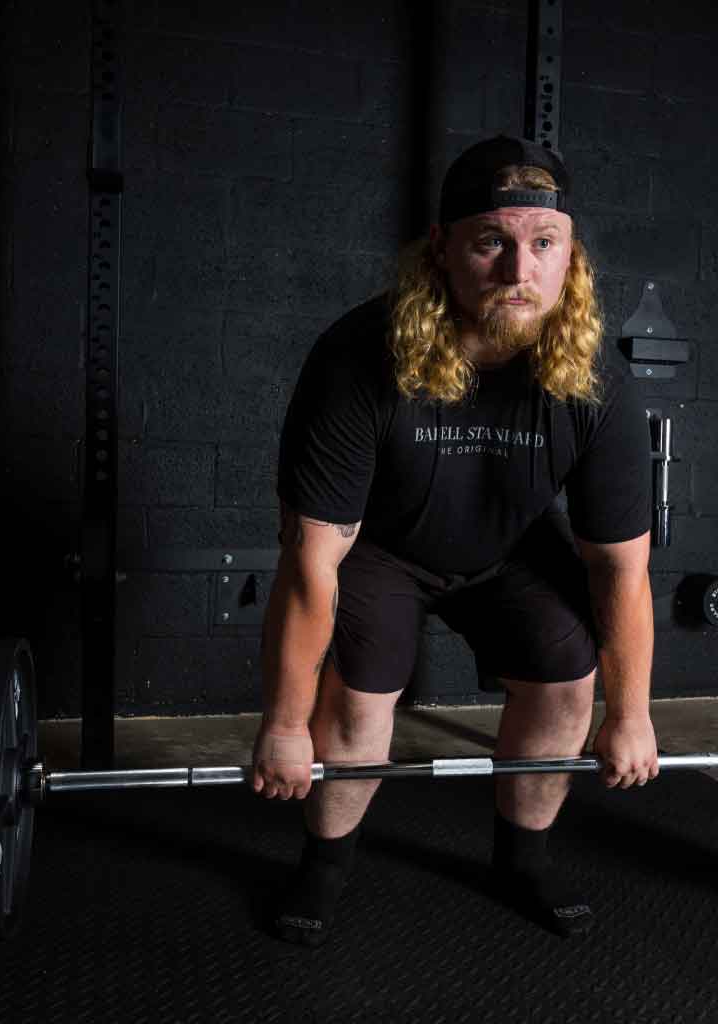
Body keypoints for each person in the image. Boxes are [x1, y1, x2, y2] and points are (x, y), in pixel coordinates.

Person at [251, 134, 658, 947]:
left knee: (567, 675)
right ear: (440, 248)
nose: (518, 270)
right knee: (361, 692)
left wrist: (632, 714)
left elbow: (620, 569)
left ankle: (523, 862)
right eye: (490, 243)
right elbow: (311, 564)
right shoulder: (357, 358)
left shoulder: (597, 383)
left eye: (544, 244)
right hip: (381, 548)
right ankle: (325, 864)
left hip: (508, 550)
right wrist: (287, 725)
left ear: (571, 255)